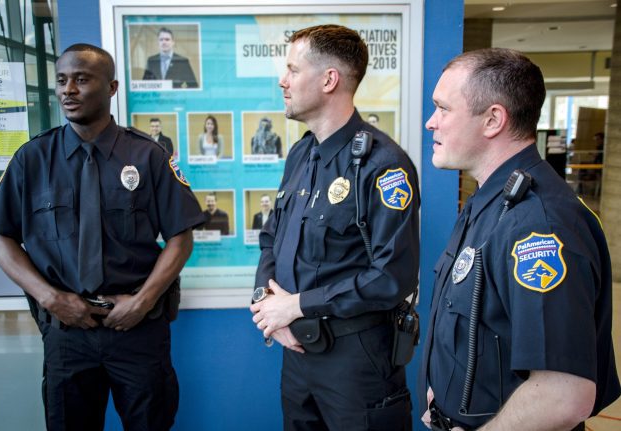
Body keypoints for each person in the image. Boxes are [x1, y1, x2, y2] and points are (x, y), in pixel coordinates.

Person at [0, 44, 205, 430]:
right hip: (67, 333)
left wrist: (142, 301)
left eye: (82, 80)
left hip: (137, 329)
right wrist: (51, 298)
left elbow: (181, 239)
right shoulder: (32, 159)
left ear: (112, 87)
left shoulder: (148, 156)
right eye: (62, 80)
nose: (69, 90)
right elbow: (0, 240)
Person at [419, 48, 620, 431]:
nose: (431, 122)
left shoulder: (538, 225)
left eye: (443, 108)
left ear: (493, 119)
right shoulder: (492, 200)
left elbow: (563, 394)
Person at [250, 24, 420, 430]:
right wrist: (269, 307)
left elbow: (392, 278)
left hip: (356, 361)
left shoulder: (384, 166)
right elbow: (271, 238)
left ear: (329, 79)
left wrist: (297, 306)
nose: (282, 80)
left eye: (292, 69)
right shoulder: (301, 154)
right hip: (298, 356)